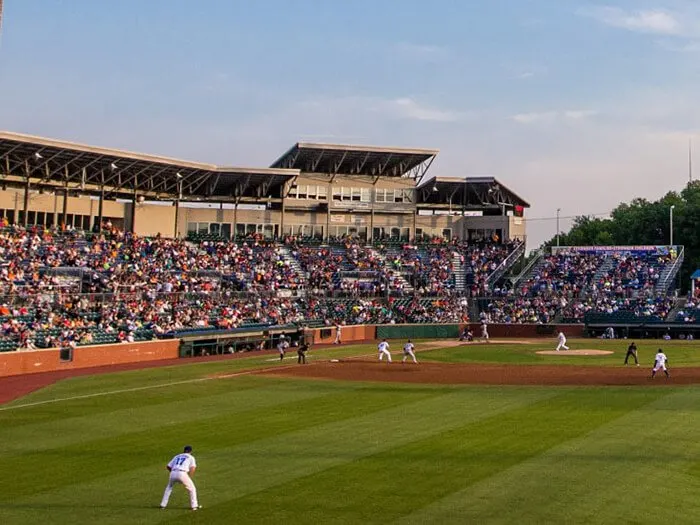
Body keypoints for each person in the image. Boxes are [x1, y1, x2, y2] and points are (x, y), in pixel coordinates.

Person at [160, 445, 201, 511]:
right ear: (191, 451)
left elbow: (168, 466)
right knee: (192, 489)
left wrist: (174, 472)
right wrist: (188, 477)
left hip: (173, 472)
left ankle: (163, 505)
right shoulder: (191, 457)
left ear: (184, 450)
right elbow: (193, 468)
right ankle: (194, 506)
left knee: (169, 487)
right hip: (182, 473)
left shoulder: (177, 456)